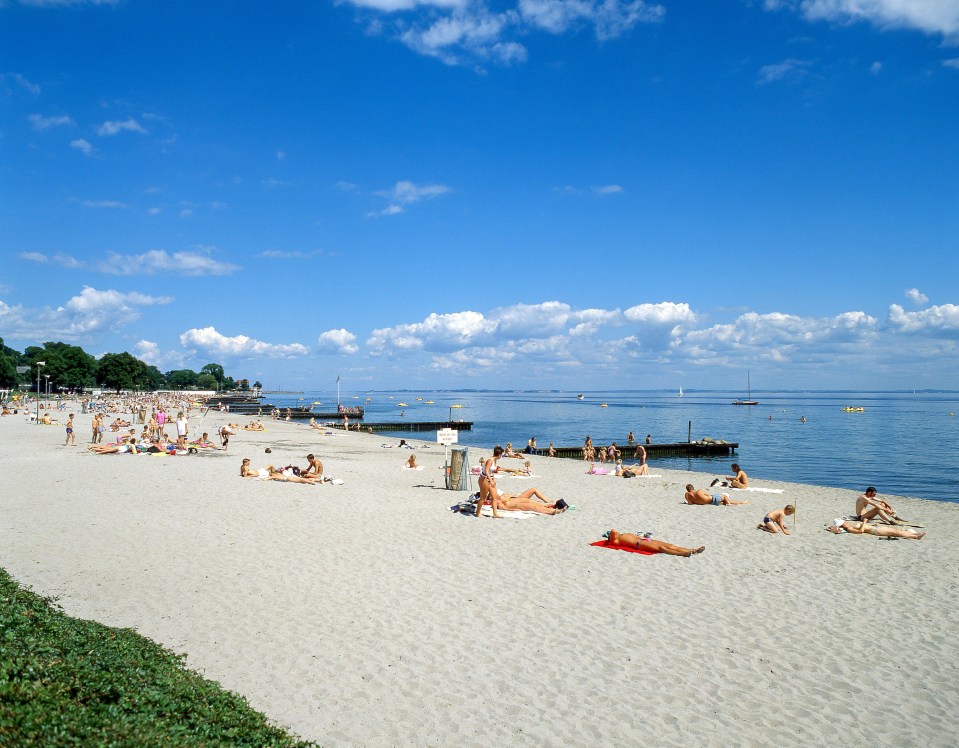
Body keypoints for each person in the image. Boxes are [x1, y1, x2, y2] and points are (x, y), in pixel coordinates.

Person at [605, 529, 705, 557]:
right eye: (611, 534)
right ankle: (683, 553)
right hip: (639, 544)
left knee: (670, 545)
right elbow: (613, 530)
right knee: (661, 548)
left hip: (645, 540)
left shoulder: (622, 535)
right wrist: (609, 536)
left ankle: (692, 550)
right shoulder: (615, 540)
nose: (616, 532)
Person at [828, 519, 925, 540]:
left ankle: (915, 535)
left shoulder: (850, 525)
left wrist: (870, 524)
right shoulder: (849, 528)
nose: (845, 522)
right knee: (895, 532)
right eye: (843, 522)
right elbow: (860, 532)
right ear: (842, 525)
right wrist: (864, 523)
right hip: (875, 531)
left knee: (897, 531)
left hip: (875, 527)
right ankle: (916, 536)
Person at [475, 446, 503, 517]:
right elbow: (486, 471)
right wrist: (491, 480)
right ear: (499, 454)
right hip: (484, 479)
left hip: (490, 478)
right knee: (483, 498)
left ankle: (495, 513)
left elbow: (491, 472)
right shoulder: (490, 460)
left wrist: (493, 479)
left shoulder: (495, 460)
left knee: (494, 497)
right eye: (501, 454)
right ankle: (477, 512)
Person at [496, 488, 566, 515]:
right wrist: (515, 509)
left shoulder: (494, 491)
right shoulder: (495, 499)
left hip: (514, 499)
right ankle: (553, 511)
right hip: (511, 504)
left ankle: (549, 505)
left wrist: (513, 495)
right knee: (533, 507)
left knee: (531, 501)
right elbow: (501, 506)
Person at [684, 484, 749, 506]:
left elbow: (690, 503)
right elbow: (708, 495)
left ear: (687, 490)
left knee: (724, 501)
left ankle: (741, 502)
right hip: (712, 499)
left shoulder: (687, 495)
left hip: (710, 503)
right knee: (724, 496)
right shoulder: (699, 491)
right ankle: (730, 503)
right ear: (693, 488)